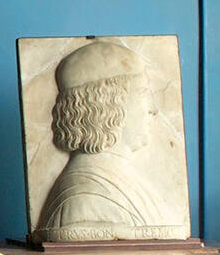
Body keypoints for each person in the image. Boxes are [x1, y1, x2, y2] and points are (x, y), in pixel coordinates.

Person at [33, 40, 185, 242]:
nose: (153, 109)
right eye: (142, 93)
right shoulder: (86, 197)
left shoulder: (120, 180)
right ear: (107, 103)